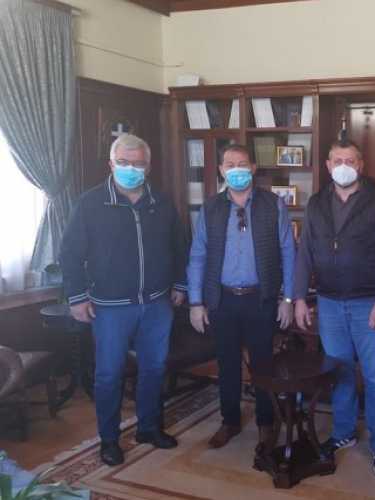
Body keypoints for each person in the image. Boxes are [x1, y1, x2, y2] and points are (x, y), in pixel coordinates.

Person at [60, 133, 188, 466]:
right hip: (109, 308)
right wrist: (76, 298)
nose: (131, 169)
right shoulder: (90, 204)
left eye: (138, 163)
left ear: (148, 166)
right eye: (123, 162)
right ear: (111, 164)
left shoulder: (161, 202)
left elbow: (179, 247)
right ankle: (109, 439)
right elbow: (70, 254)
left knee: (154, 368)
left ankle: (149, 427)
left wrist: (180, 284)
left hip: (157, 303)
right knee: (109, 374)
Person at [293, 139, 375, 476]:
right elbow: (304, 253)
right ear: (328, 165)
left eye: (350, 160)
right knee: (339, 374)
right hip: (328, 303)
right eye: (337, 160)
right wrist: (299, 297)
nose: (343, 166)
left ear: (360, 165)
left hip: (368, 304)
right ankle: (343, 433)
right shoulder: (316, 204)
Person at [186, 144, 295, 451]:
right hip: (222, 300)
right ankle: (230, 421)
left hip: (261, 298)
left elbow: (289, 252)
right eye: (230, 164)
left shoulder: (273, 204)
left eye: (242, 163)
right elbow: (197, 255)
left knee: (263, 364)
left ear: (253, 168)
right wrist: (195, 302)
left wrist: (287, 299)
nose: (236, 169)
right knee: (227, 364)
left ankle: (265, 423)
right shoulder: (210, 208)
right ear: (221, 170)